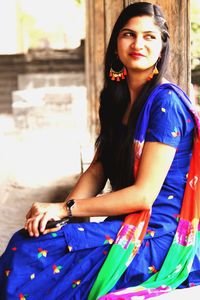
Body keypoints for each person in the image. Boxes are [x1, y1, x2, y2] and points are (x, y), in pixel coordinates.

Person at [0, 2, 199, 299]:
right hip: (129, 223)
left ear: (162, 47)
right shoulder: (116, 99)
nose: (138, 44)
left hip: (159, 235)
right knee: (33, 240)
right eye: (128, 34)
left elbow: (144, 195)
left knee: (30, 254)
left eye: (149, 37)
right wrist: (62, 217)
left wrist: (65, 208)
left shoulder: (165, 104)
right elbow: (97, 169)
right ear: (116, 43)